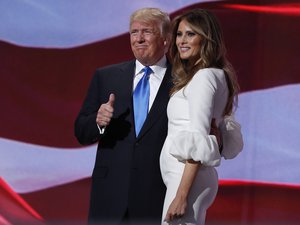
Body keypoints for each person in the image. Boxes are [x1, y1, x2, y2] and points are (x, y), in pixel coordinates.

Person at [74, 7, 242, 225]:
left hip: (158, 194)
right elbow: (80, 130)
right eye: (134, 32)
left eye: (147, 32)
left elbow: (202, 130)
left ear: (165, 40)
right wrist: (98, 122)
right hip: (110, 196)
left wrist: (217, 140)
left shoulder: (184, 80)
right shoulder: (106, 77)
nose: (139, 39)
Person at [160, 9, 241, 225]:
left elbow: (198, 136)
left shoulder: (205, 77)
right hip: (187, 179)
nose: (182, 41)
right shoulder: (209, 74)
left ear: (206, 39)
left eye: (191, 34)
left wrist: (181, 195)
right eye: (179, 34)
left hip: (187, 180)